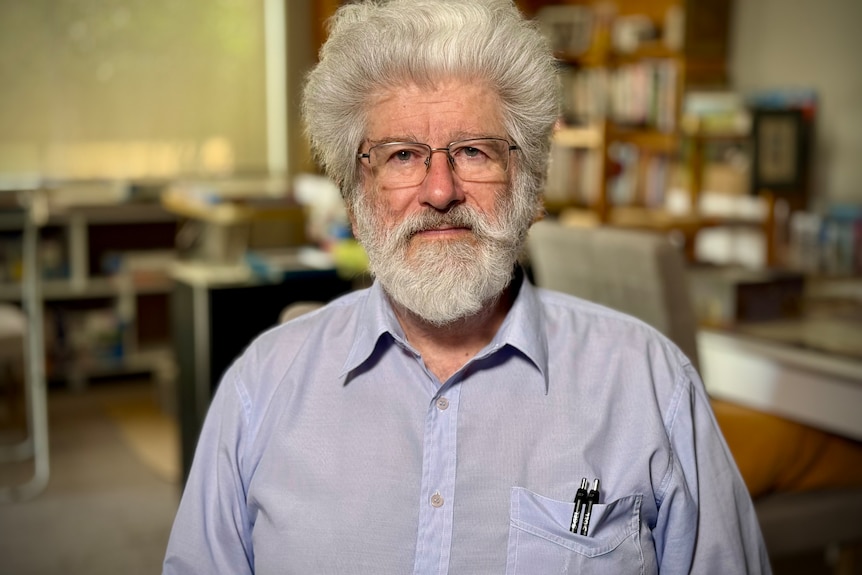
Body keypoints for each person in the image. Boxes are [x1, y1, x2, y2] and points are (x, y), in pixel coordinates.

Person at [163, 0, 771, 573]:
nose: (439, 191)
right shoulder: (258, 392)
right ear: (354, 196)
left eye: (474, 152)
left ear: (529, 187)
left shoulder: (650, 387)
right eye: (402, 155)